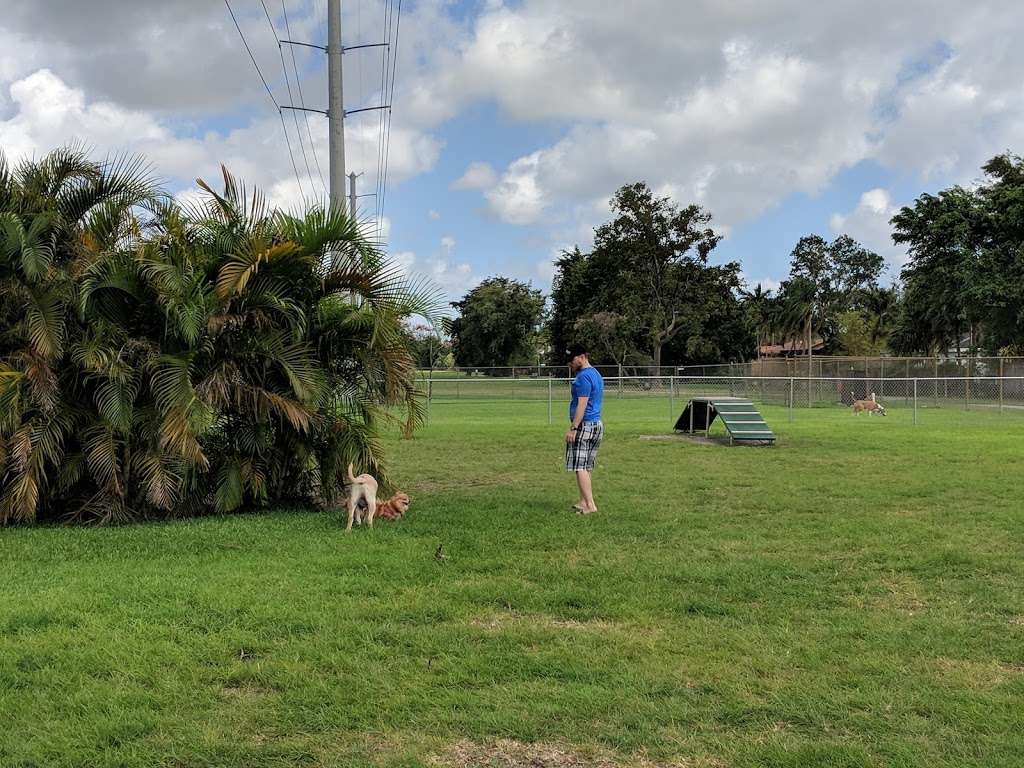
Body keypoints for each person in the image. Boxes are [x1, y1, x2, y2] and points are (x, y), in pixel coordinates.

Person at [564, 344, 604, 514]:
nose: (570, 364)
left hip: (584, 425)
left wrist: (574, 427)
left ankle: (590, 505)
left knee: (579, 466)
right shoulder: (595, 374)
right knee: (586, 466)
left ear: (581, 357)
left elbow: (582, 404)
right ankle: (583, 501)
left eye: (572, 360)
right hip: (596, 424)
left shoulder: (582, 378)